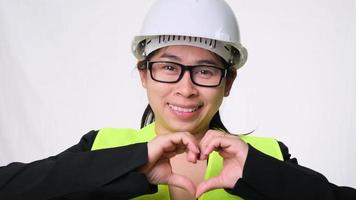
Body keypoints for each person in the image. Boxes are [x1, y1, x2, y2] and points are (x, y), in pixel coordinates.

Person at [1, 0, 356, 199]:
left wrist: (261, 175)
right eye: (169, 67)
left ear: (228, 82)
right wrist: (126, 165)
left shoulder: (268, 155)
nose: (185, 89)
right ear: (143, 74)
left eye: (204, 71)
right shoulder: (101, 147)